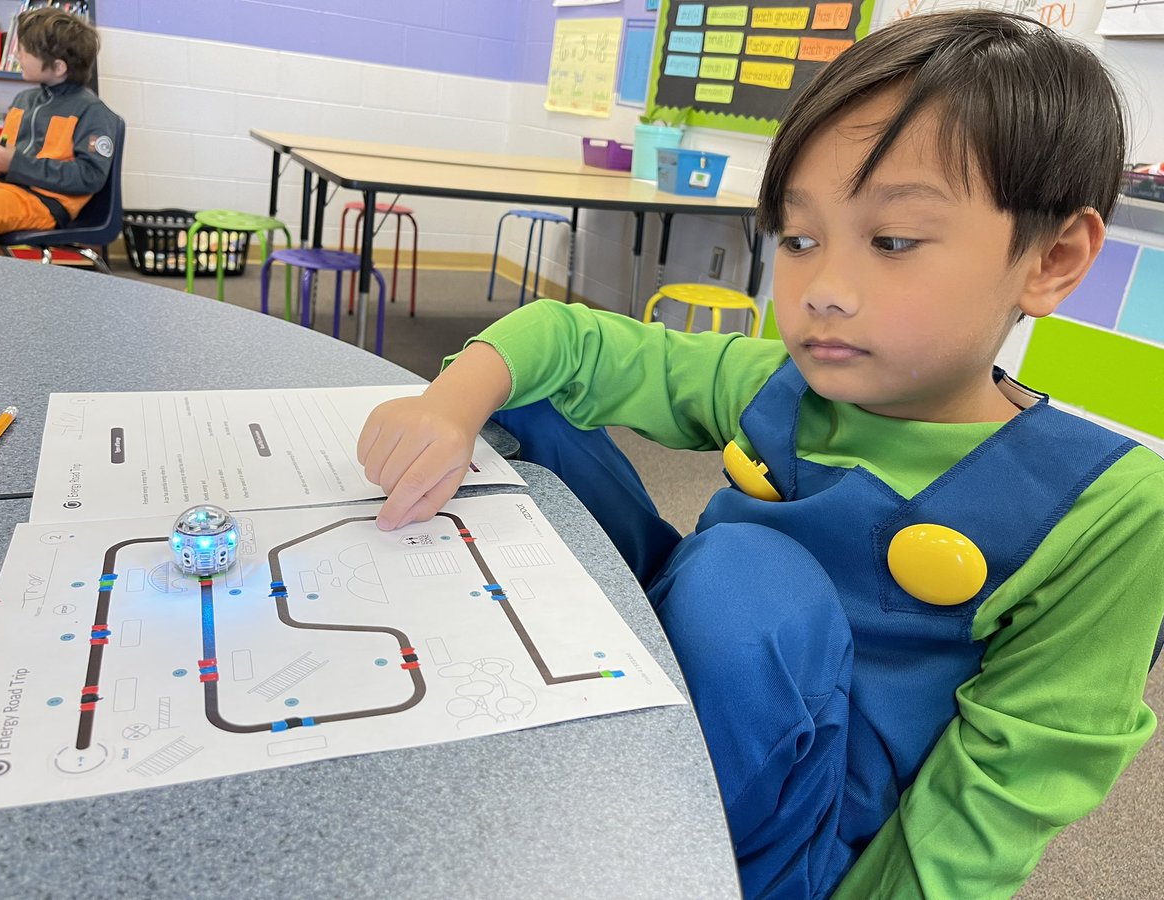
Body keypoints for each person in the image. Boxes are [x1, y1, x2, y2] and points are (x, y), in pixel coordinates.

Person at [357, 10, 1164, 898]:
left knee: (745, 574)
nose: (823, 291)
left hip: (793, 834)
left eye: (893, 242)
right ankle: (518, 679)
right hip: (680, 660)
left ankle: (635, 824)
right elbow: (575, 341)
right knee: (530, 403)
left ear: (1051, 258)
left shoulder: (1111, 506)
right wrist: (450, 403)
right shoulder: (778, 379)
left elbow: (1004, 794)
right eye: (801, 239)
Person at [0, 7, 117, 254]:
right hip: (7, 189)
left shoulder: (92, 112)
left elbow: (89, 176)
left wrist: (14, 164)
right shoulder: (24, 100)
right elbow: (8, 154)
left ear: (58, 67)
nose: (16, 53)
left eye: (24, 51)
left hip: (46, 201)